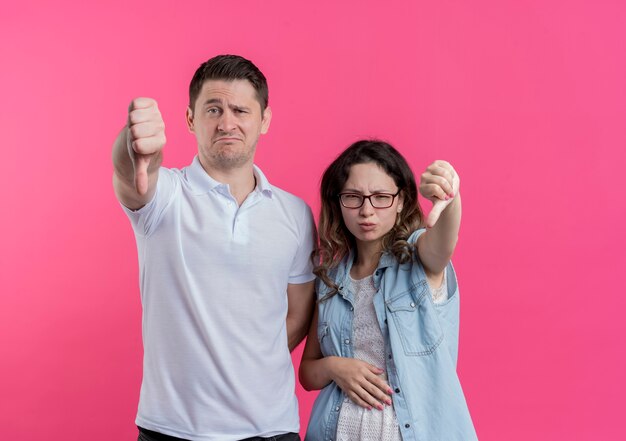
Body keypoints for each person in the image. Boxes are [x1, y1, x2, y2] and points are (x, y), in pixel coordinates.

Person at [112, 55, 316, 441]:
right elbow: (130, 175)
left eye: (240, 110)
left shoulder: (295, 215)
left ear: (264, 120)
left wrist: (242, 360)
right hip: (171, 430)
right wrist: (134, 144)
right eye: (213, 109)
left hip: (271, 429)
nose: (227, 122)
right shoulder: (164, 197)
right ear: (190, 119)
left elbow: (297, 316)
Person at [299, 140, 477, 440]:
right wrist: (335, 367)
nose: (367, 211)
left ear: (401, 201)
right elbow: (307, 372)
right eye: (353, 197)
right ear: (338, 202)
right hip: (335, 431)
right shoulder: (331, 280)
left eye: (381, 197)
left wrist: (450, 197)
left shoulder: (419, 261)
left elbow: (443, 244)